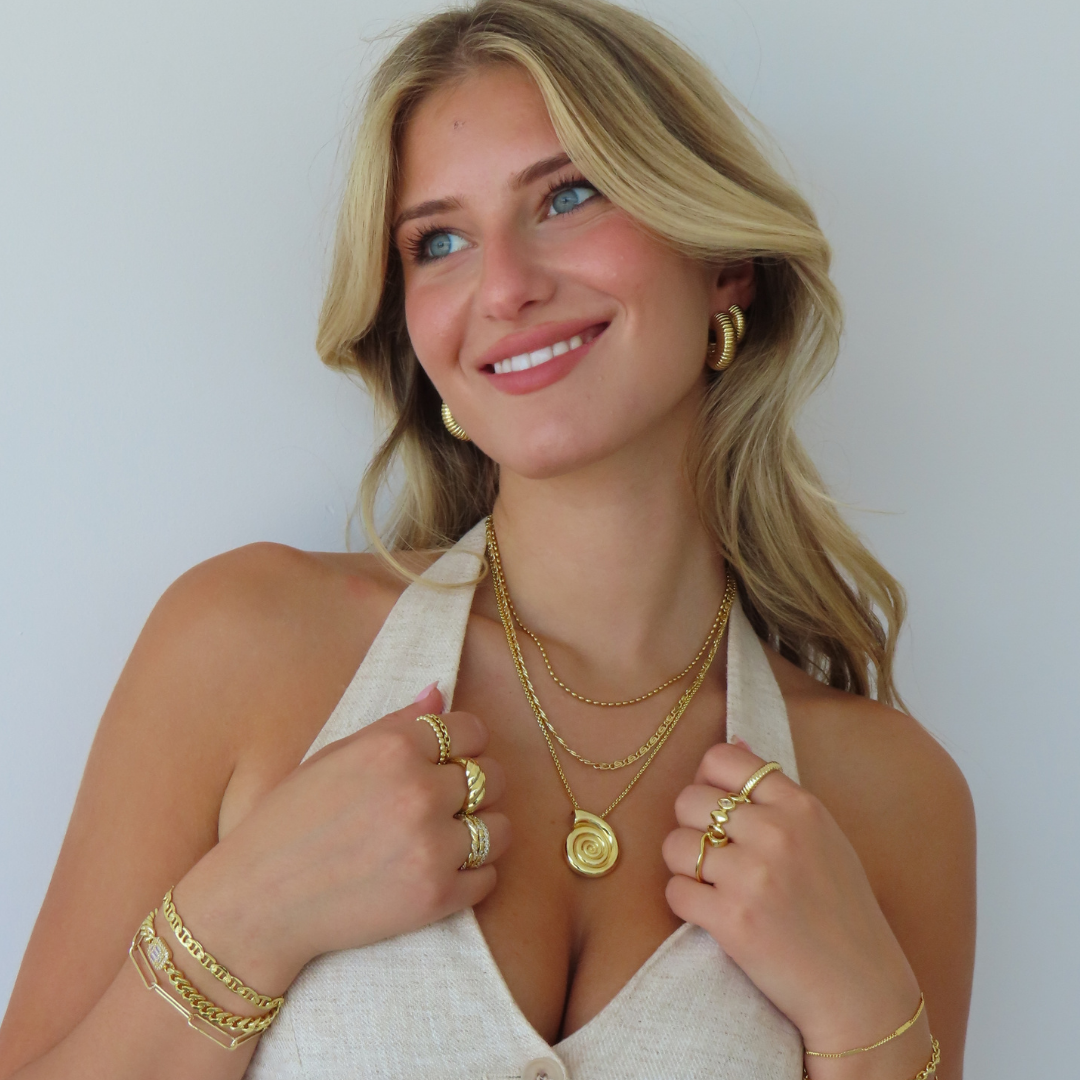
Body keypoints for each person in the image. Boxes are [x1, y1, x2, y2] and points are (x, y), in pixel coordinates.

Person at [0, 1, 975, 1077]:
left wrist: (868, 1020)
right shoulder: (246, 648)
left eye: (569, 195)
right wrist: (246, 918)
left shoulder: (890, 795)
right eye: (440, 242)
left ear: (724, 265)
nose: (505, 287)